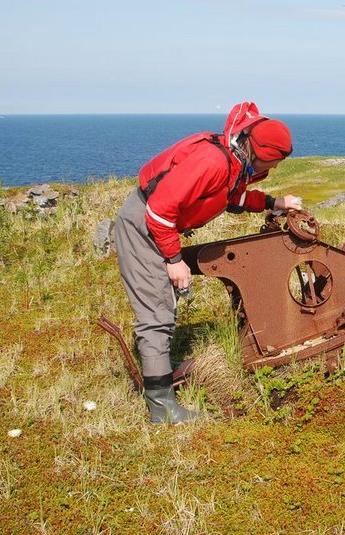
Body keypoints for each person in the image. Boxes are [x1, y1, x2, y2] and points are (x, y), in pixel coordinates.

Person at [114, 101, 302, 423]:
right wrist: (174, 259)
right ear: (256, 151)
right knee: (156, 313)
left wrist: (274, 203)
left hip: (159, 225)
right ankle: (162, 409)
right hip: (144, 226)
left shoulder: (232, 161)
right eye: (272, 162)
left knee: (163, 307)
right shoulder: (213, 162)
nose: (273, 168)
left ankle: (159, 368)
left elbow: (233, 198)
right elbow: (159, 211)